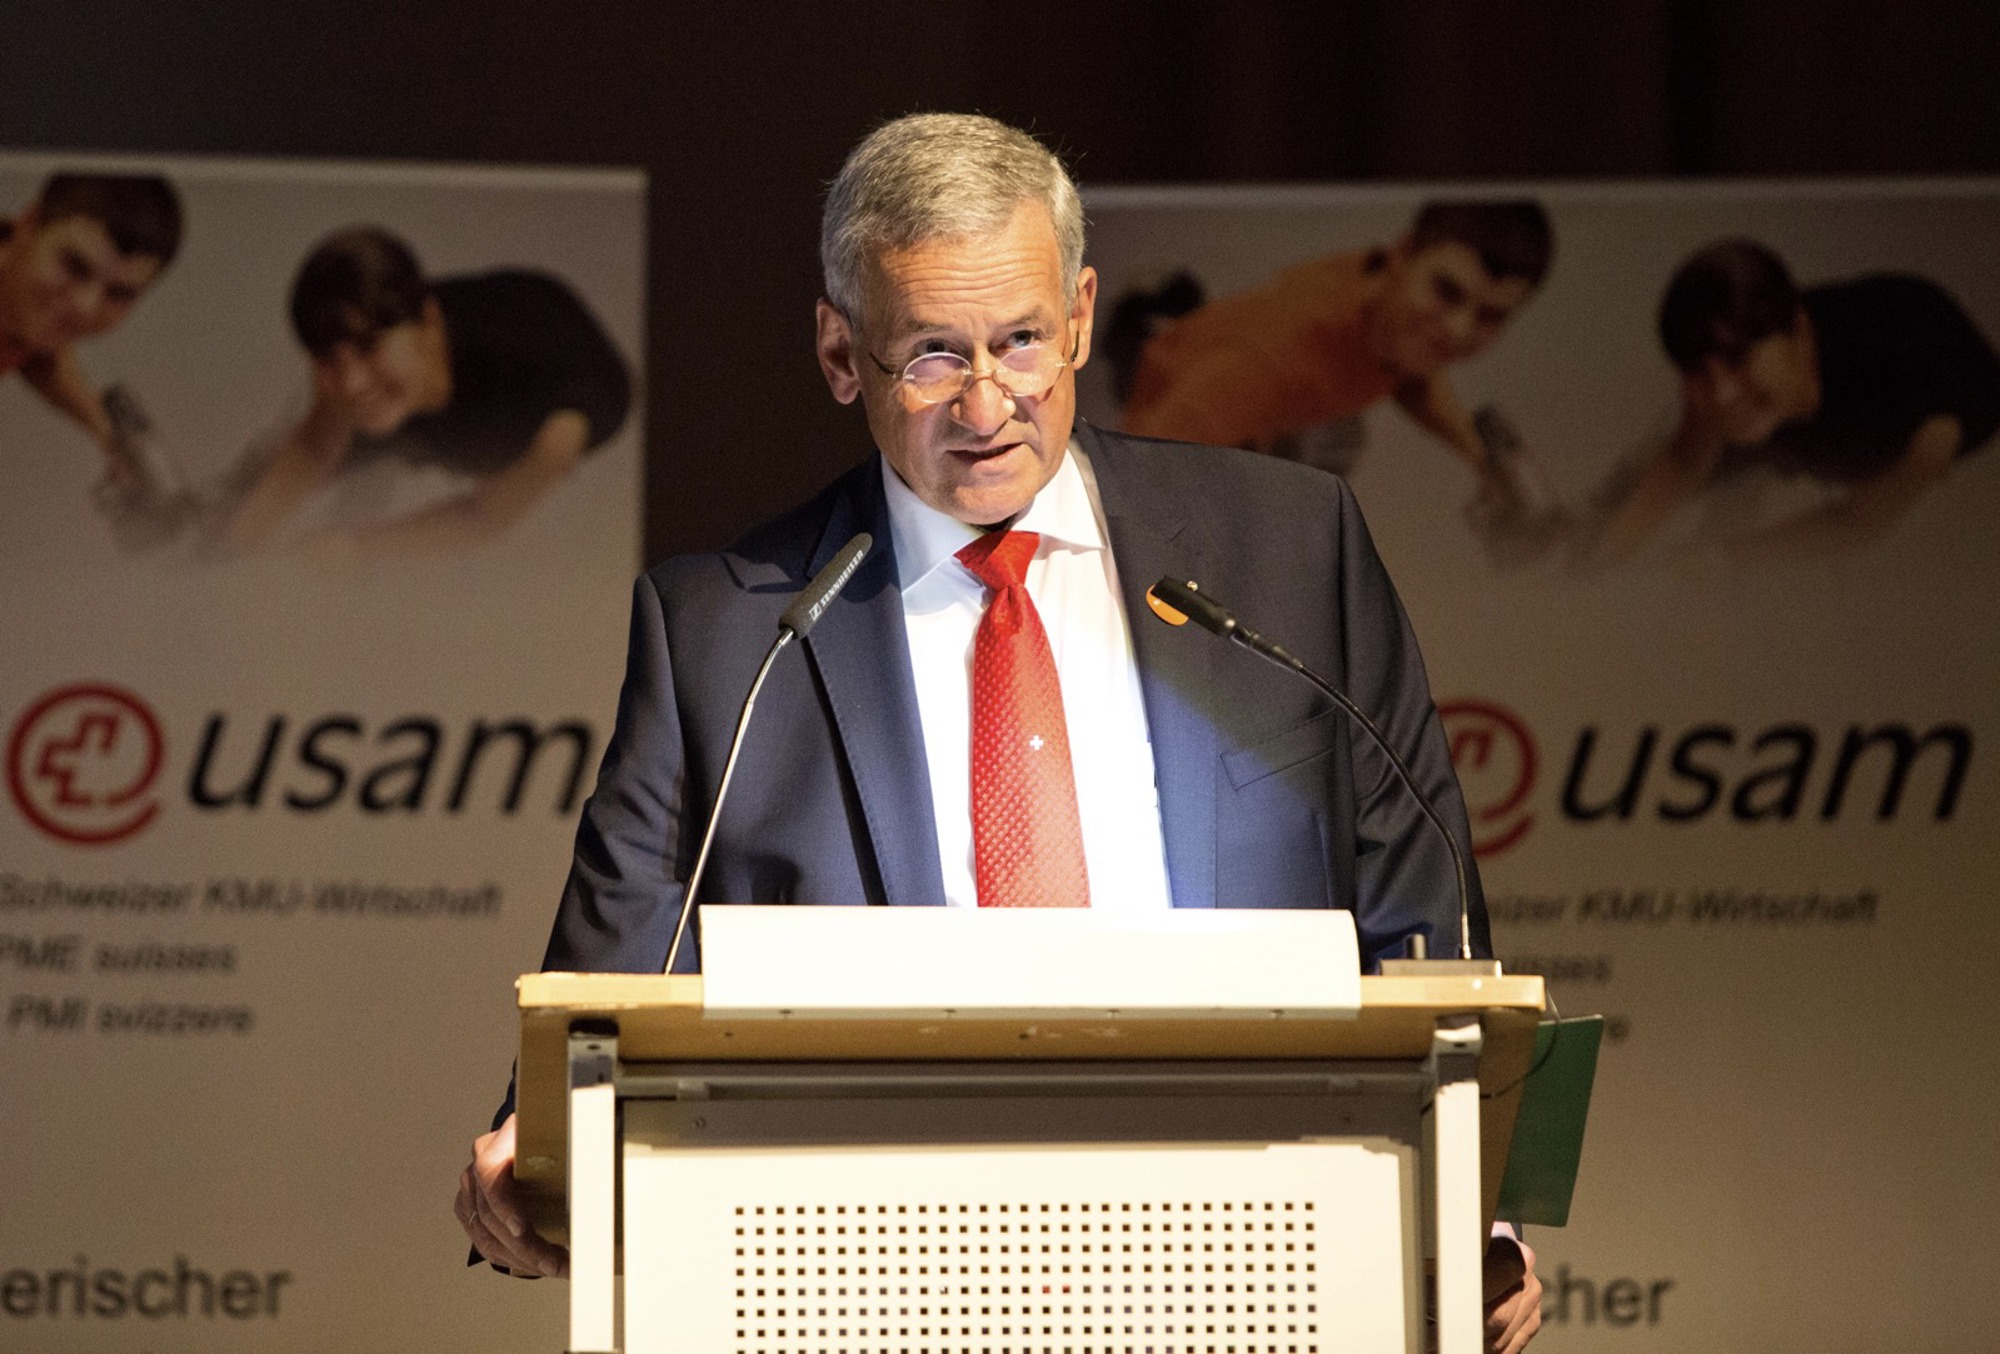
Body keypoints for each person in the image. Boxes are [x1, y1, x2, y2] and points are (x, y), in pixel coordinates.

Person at [454, 113, 1540, 1352]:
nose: (986, 404)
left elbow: (1425, 917)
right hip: (864, 1279)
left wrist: (1479, 1214)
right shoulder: (726, 629)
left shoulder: (1289, 552)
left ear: (1078, 315)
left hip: (1256, 1250)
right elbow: (604, 994)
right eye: (930, 353)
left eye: (1020, 341)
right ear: (839, 352)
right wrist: (533, 1157)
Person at [1572, 238, 2000, 571]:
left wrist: (1726, 558)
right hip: (1784, 443)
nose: (1722, 393)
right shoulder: (1729, 382)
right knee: (1626, 499)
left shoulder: (1929, 407)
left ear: (1800, 333)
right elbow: (1682, 464)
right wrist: (1601, 556)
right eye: (1699, 371)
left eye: (1737, 360)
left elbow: (1857, 523)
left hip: (1922, 466)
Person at [1115, 200, 1554, 520]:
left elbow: (1409, 375)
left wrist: (1480, 456)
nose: (1458, 330)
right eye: (1447, 291)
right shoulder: (1274, 360)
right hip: (1171, 398)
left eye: (1490, 315)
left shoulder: (1394, 317)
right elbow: (1135, 475)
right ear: (1403, 253)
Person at [212, 226, 631, 556]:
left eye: (368, 346)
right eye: (329, 359)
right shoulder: (358, 355)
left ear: (429, 322)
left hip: (538, 421)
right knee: (245, 488)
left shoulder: (559, 398)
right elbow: (314, 447)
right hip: (417, 409)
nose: (352, 382)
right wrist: (231, 548)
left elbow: (484, 517)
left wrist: (360, 548)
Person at [0, 172, 184, 507]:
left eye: (118, 294)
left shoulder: (25, 313)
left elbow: (39, 353)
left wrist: (109, 435)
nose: (84, 306)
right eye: (74, 266)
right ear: (30, 224)